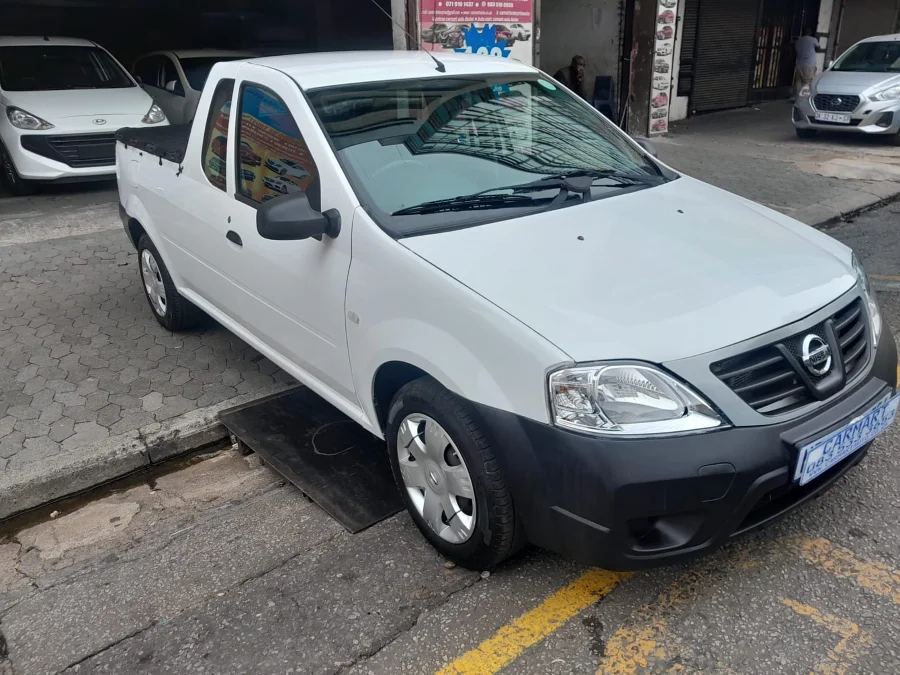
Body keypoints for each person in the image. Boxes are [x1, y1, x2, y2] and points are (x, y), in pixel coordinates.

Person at [794, 29, 819, 99]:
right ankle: (805, 98)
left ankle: (798, 97)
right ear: (810, 32)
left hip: (799, 64)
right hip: (809, 65)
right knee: (808, 82)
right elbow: (818, 49)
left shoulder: (798, 41)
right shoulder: (813, 40)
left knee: (798, 81)